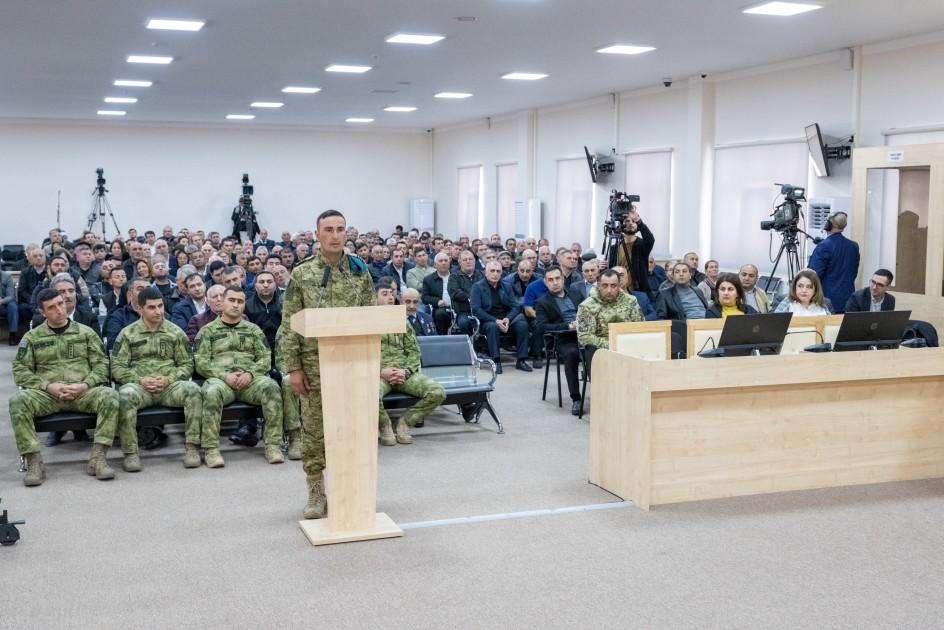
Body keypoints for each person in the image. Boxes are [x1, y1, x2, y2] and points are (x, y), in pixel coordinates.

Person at [278, 209, 374, 520]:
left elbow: (372, 319)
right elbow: (289, 324)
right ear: (317, 235)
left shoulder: (360, 272)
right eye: (329, 229)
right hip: (314, 369)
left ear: (347, 234)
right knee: (316, 432)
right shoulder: (303, 275)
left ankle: (351, 488)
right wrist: (293, 367)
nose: (335, 235)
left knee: (354, 429)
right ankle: (316, 491)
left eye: (340, 229)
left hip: (355, 367)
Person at [10, 289, 122, 485]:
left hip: (82, 393)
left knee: (110, 395)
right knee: (18, 401)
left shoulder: (85, 333)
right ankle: (35, 463)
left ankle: (98, 459)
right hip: (48, 396)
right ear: (42, 312)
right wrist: (47, 386)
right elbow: (20, 371)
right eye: (51, 307)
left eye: (61, 304)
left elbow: (102, 365)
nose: (59, 310)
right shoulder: (32, 337)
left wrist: (84, 385)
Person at [111, 287, 203, 469]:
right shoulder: (128, 334)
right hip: (140, 387)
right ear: (140, 308)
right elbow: (117, 367)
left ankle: (192, 448)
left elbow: (187, 364)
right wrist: (140, 380)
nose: (158, 311)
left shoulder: (175, 332)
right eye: (152, 307)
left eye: (160, 306)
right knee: (124, 395)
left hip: (169, 387)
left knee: (193, 390)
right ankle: (130, 453)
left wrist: (169, 379)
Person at [195, 287, 285, 467]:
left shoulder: (253, 330)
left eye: (240, 301)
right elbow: (200, 361)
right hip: (222, 382)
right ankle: (211, 449)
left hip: (250, 382)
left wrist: (250, 373)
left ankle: (273, 445)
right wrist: (223, 375)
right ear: (223, 302)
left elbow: (266, 358)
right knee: (211, 391)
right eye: (232, 300)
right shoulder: (207, 331)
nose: (236, 305)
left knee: (271, 387)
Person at [375, 278, 446, 445]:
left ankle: (405, 422)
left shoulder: (403, 322)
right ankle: (384, 425)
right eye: (384, 294)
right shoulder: (367, 324)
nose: (390, 297)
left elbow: (414, 352)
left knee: (437, 392)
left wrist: (405, 371)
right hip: (379, 375)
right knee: (369, 394)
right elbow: (361, 355)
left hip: (403, 374)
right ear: (374, 298)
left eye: (392, 294)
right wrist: (379, 371)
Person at [535, 267, 583, 415]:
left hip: (583, 335)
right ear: (545, 282)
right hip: (562, 339)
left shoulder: (576, 294)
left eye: (557, 278)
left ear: (563, 279)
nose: (555, 282)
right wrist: (568, 326)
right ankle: (576, 398)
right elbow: (542, 327)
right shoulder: (542, 303)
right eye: (551, 280)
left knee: (599, 351)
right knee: (572, 353)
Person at [576, 269, 644, 375]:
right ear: (598, 285)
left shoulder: (631, 301)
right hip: (601, 350)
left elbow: (640, 326)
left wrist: (627, 344)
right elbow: (585, 337)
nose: (609, 290)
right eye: (605, 285)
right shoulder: (587, 306)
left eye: (613, 286)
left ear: (619, 285)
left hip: (629, 347)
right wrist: (613, 345)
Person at [471, 261, 532, 373]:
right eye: (492, 271)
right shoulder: (477, 287)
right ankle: (496, 361)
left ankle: (521, 360)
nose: (495, 274)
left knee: (523, 325)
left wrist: (508, 319)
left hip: (506, 320)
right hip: (487, 321)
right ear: (486, 273)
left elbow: (515, 307)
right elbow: (476, 310)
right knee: (493, 327)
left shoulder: (506, 286)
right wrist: (496, 320)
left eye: (498, 271)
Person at [808, 212, 860, 314]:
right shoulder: (854, 246)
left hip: (827, 302)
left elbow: (813, 276)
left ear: (829, 224)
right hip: (848, 300)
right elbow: (853, 272)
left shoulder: (823, 246)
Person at [613, 205, 656, 294]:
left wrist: (638, 219)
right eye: (627, 221)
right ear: (622, 225)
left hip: (637, 291)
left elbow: (650, 239)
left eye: (633, 221)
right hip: (617, 291)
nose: (631, 223)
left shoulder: (642, 245)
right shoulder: (615, 247)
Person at [447, 249, 484, 336]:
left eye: (470, 259)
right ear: (460, 263)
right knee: (464, 323)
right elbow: (454, 293)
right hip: (463, 311)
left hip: (482, 310)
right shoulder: (454, 276)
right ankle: (469, 345)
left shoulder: (482, 275)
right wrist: (472, 297)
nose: (468, 262)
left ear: (475, 261)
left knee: (489, 321)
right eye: (465, 260)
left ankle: (483, 345)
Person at [2, 269, 20, 344]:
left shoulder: (6, 276)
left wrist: (2, 301)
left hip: (3, 306)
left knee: (12, 306)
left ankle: (13, 335)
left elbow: (10, 296)